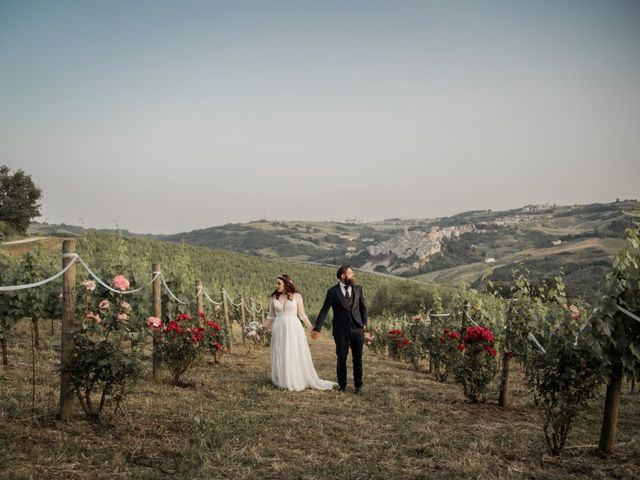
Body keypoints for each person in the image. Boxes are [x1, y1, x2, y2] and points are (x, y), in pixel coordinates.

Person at [265, 274, 337, 392]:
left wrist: (312, 329)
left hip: (294, 328)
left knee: (293, 351)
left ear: (286, 284)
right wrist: (258, 329)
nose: (276, 285)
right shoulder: (274, 297)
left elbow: (302, 315)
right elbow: (270, 316)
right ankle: (283, 379)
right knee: (281, 352)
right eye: (276, 283)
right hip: (279, 328)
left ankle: (295, 378)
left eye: (279, 283)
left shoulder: (297, 296)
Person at [311, 265, 368, 395]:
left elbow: (363, 308)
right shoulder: (332, 292)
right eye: (350, 273)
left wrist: (364, 324)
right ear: (342, 276)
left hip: (357, 329)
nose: (353, 275)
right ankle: (342, 385)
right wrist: (317, 328)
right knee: (341, 358)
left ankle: (358, 386)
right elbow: (324, 310)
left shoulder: (358, 289)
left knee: (357, 359)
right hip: (340, 331)